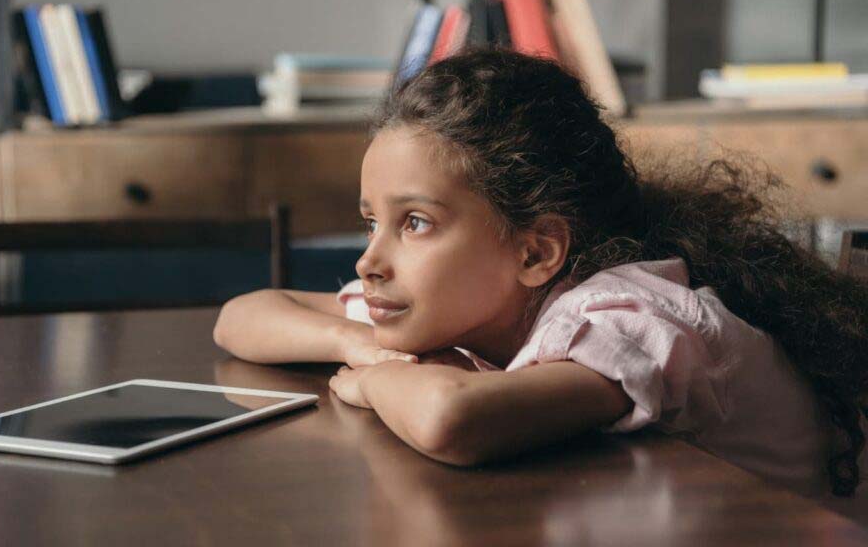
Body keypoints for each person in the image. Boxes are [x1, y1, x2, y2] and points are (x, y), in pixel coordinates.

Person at [213, 47, 868, 500]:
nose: (368, 261)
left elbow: (452, 421)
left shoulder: (627, 316)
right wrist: (356, 344)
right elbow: (242, 315)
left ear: (534, 253)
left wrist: (379, 379)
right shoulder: (471, 299)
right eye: (370, 222)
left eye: (413, 223)